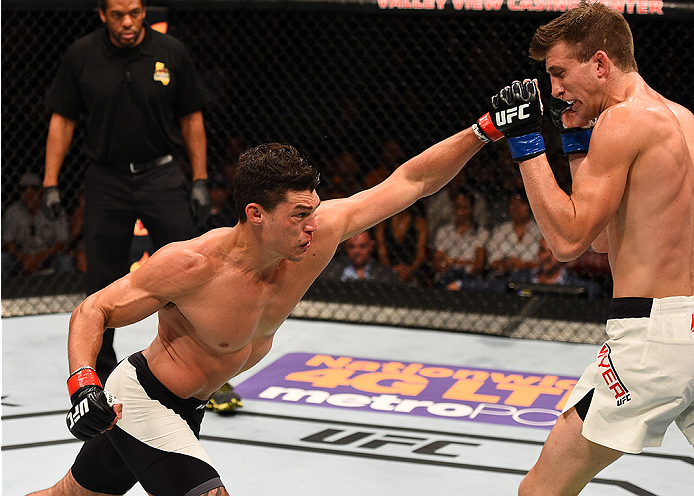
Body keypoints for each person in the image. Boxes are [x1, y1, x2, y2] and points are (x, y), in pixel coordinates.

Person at [30, 115, 492, 495]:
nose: (313, 226)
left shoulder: (318, 234)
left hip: (192, 404)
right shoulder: (192, 265)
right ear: (256, 214)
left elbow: (412, 181)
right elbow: (93, 310)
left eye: (313, 211)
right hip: (145, 398)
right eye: (298, 216)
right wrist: (83, 386)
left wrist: (484, 130)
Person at [474, 2, 694, 493]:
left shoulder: (623, 121)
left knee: (541, 490)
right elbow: (600, 237)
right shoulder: (682, 119)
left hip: (651, 338)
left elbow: (568, 242)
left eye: (558, 73)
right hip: (688, 326)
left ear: (599, 63)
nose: (554, 90)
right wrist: (574, 140)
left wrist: (527, 142)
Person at [41, 0, 211, 385]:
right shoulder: (82, 54)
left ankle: (209, 367)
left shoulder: (171, 52)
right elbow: (63, 119)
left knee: (194, 271)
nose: (129, 22)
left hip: (162, 176)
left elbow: (191, 116)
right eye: (118, 15)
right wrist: (51, 181)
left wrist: (200, 178)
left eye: (135, 12)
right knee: (101, 280)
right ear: (102, 14)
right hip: (106, 179)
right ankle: (97, 376)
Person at [1, 173, 74, 277]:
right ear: (19, 192)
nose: (29, 193)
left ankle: (67, 293)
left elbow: (62, 242)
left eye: (34, 189)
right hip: (21, 258)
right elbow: (7, 242)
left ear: (41, 192)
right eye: (24, 189)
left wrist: (39, 258)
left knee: (65, 261)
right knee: (2, 259)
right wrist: (23, 258)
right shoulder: (12, 211)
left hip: (48, 257)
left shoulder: (53, 210)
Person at [431, 188, 490, 291]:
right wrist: (467, 263)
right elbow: (437, 264)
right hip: (446, 277)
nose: (461, 212)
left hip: (469, 279)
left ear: (473, 208)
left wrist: (450, 261)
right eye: (457, 207)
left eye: (465, 207)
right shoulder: (444, 231)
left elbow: (478, 266)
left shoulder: (481, 233)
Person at [507, 237, 601, 300]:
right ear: (538, 253)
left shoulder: (577, 284)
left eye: (552, 252)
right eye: (543, 251)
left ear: (562, 255)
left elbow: (593, 290)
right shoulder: (520, 277)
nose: (547, 256)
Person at [485, 190, 542, 278]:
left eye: (521, 204)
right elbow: (491, 262)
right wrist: (505, 264)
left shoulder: (540, 231)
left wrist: (524, 265)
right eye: (512, 205)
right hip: (502, 276)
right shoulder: (501, 230)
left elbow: (545, 264)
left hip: (532, 277)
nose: (516, 209)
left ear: (529, 206)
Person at [373, 203, 430, 285]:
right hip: (386, 270)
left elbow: (421, 252)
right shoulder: (382, 223)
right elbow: (381, 251)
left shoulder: (419, 223)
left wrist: (411, 269)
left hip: (413, 272)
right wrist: (391, 270)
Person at [318, 230, 400, 284]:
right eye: (351, 247)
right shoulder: (329, 271)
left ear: (371, 246)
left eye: (362, 246)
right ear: (345, 248)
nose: (357, 251)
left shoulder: (385, 275)